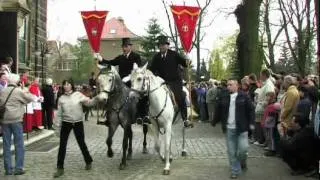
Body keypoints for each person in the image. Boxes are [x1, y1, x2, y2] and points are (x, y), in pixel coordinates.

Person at [95, 37, 149, 123]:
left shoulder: (136, 56)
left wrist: (129, 77)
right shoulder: (120, 58)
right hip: (121, 83)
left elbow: (137, 69)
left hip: (133, 81)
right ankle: (109, 116)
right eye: (123, 47)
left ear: (130, 47)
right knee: (109, 93)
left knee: (141, 95)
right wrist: (101, 58)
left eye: (126, 46)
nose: (124, 48)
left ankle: (142, 115)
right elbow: (110, 62)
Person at [53, 79, 97, 178]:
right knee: (62, 145)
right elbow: (59, 114)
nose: (66, 86)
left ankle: (88, 161)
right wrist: (56, 126)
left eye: (68, 84)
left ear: (71, 85)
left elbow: (89, 102)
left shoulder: (78, 94)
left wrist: (97, 98)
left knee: (81, 143)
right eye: (64, 84)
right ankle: (60, 168)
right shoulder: (61, 98)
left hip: (78, 123)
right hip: (66, 123)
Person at [214, 79, 255, 179]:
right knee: (231, 152)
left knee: (243, 149)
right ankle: (235, 170)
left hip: (242, 128)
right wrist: (214, 121)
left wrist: (251, 123)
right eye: (227, 85)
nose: (228, 87)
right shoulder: (224, 97)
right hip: (229, 129)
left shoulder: (244, 96)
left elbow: (251, 110)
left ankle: (242, 161)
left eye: (230, 85)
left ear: (237, 86)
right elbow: (218, 109)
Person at [149, 35, 193, 128]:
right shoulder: (156, 57)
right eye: (160, 45)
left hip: (175, 81)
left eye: (163, 45)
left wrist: (187, 61)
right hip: (162, 82)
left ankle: (185, 119)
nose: (161, 47)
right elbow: (151, 69)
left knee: (180, 96)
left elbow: (184, 63)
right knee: (151, 94)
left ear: (168, 46)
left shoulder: (174, 54)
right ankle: (149, 116)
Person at [0, 73, 37, 175]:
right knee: (19, 144)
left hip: (4, 121)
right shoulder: (18, 91)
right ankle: (19, 168)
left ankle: (8, 169)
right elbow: (31, 98)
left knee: (6, 145)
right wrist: (24, 90)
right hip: (16, 120)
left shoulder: (2, 91)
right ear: (17, 81)